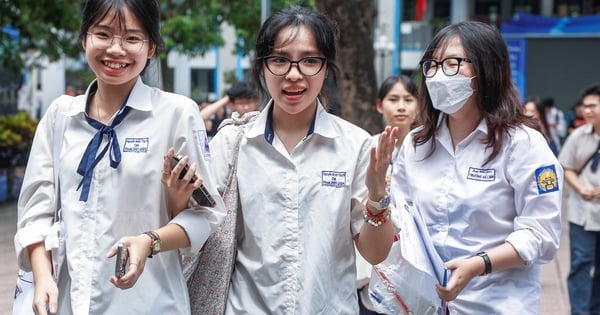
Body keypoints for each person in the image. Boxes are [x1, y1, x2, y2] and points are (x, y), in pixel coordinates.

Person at [13, 0, 225, 314]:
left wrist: (150, 241)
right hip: (67, 302)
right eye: (103, 34)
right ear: (84, 38)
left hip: (150, 301)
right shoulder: (60, 116)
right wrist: (43, 278)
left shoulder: (176, 113)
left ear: (151, 48)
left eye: (132, 38)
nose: (116, 49)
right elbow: (35, 211)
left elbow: (207, 214)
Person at [208, 5, 395, 314]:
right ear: (262, 66)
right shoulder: (233, 143)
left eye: (309, 61)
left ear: (326, 67)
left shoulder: (356, 146)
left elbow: (375, 254)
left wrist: (377, 197)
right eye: (280, 60)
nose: (294, 75)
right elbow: (202, 225)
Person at [388, 21, 562, 314]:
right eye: (432, 64)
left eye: (453, 63)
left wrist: (478, 265)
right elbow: (403, 219)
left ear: (486, 71)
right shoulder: (416, 144)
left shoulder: (523, 145)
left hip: (496, 303)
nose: (439, 74)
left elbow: (542, 234)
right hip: (424, 303)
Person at [356, 74, 419, 315]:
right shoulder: (367, 149)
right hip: (378, 256)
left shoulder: (429, 150)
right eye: (393, 99)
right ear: (379, 105)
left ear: (419, 105)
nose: (401, 106)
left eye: (408, 99)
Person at [558, 84, 600, 315]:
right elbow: (567, 166)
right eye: (585, 106)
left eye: (593, 105)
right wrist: (580, 188)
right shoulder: (578, 136)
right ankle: (580, 312)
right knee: (581, 264)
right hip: (581, 212)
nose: (587, 111)